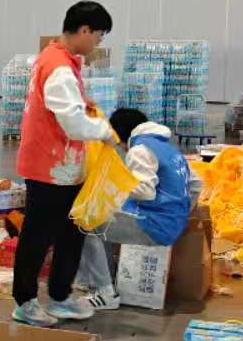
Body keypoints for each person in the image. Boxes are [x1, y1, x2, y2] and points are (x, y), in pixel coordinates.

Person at [12, 1, 116, 326]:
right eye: (98, 35)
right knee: (38, 237)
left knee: (72, 231)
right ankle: (25, 301)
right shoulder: (58, 67)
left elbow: (64, 106)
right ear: (84, 30)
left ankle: (60, 295)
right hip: (49, 167)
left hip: (65, 167)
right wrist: (105, 132)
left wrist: (83, 103)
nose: (98, 42)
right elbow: (73, 124)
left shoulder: (58, 59)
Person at [75, 108, 204, 309]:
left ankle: (104, 293)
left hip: (154, 226)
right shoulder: (168, 148)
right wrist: (179, 212)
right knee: (103, 220)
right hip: (172, 223)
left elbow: (145, 192)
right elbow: (196, 183)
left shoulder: (139, 150)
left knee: (85, 223)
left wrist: (116, 185)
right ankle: (104, 279)